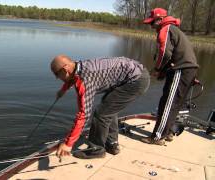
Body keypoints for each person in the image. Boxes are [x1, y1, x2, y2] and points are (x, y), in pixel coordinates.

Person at [51, 55, 150, 159]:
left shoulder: (85, 80)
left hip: (136, 80)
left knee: (101, 114)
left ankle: (96, 150)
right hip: (133, 74)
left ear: (65, 69)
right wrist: (63, 89)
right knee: (109, 107)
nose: (58, 78)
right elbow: (72, 76)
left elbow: (83, 115)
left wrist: (68, 144)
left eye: (58, 75)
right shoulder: (78, 67)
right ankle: (112, 144)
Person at [141, 8, 199, 145]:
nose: (151, 26)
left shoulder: (165, 29)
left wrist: (157, 68)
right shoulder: (174, 29)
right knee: (174, 104)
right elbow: (175, 54)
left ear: (160, 19)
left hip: (181, 70)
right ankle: (167, 133)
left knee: (168, 104)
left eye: (152, 22)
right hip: (187, 70)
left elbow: (165, 53)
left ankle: (157, 136)